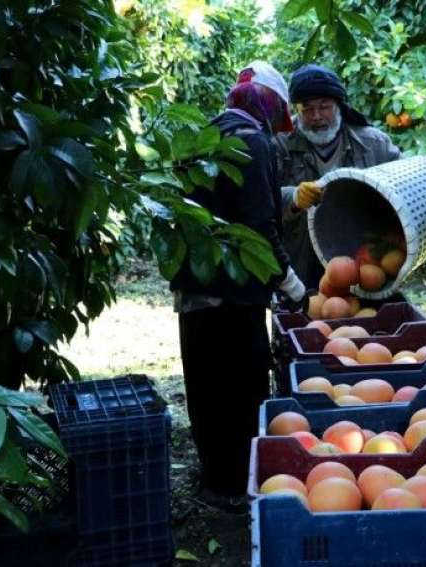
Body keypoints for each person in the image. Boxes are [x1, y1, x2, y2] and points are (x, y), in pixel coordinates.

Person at [170, 61, 306, 505]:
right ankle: (240, 485)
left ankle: (216, 480)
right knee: (241, 386)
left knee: (207, 386)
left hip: (195, 287)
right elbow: (258, 229)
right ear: (269, 106)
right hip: (234, 289)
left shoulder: (205, 136)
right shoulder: (253, 141)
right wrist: (294, 287)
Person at [276, 64, 401, 289]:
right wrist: (292, 197)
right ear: (296, 109)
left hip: (362, 258)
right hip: (301, 265)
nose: (316, 116)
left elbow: (403, 184)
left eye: (324, 107)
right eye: (307, 109)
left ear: (338, 106)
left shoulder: (373, 144)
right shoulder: (280, 145)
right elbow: (260, 199)